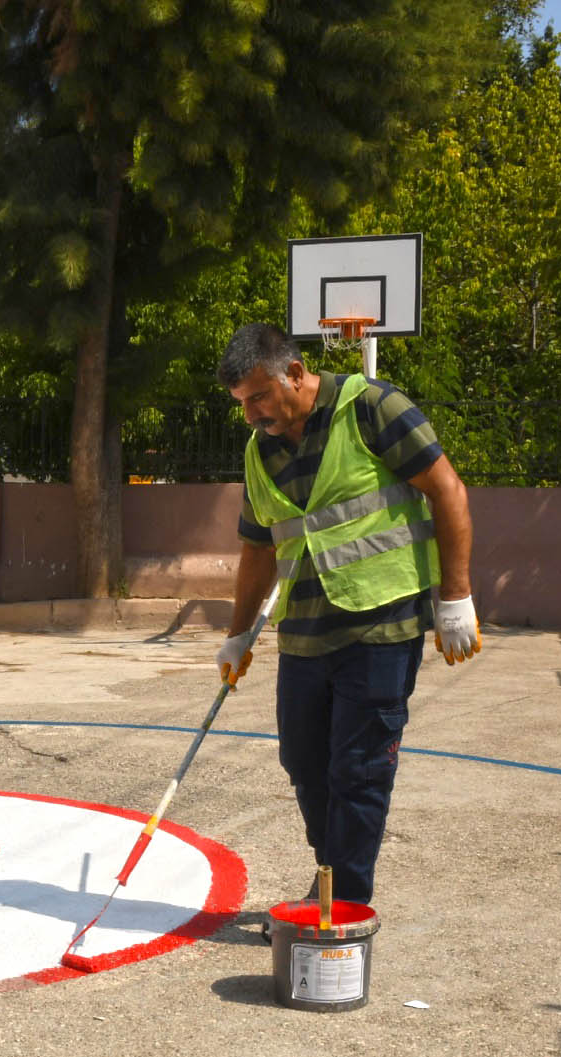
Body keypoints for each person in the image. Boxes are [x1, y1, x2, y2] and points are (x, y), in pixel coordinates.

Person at [212, 322, 481, 911]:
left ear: (295, 373)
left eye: (259, 397)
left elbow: (447, 491)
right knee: (305, 766)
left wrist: (454, 596)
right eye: (242, 404)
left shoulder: (372, 408)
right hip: (305, 633)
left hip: (382, 626)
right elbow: (258, 549)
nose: (252, 414)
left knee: (357, 773)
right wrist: (236, 638)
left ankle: (342, 906)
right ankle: (332, 873)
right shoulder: (261, 452)